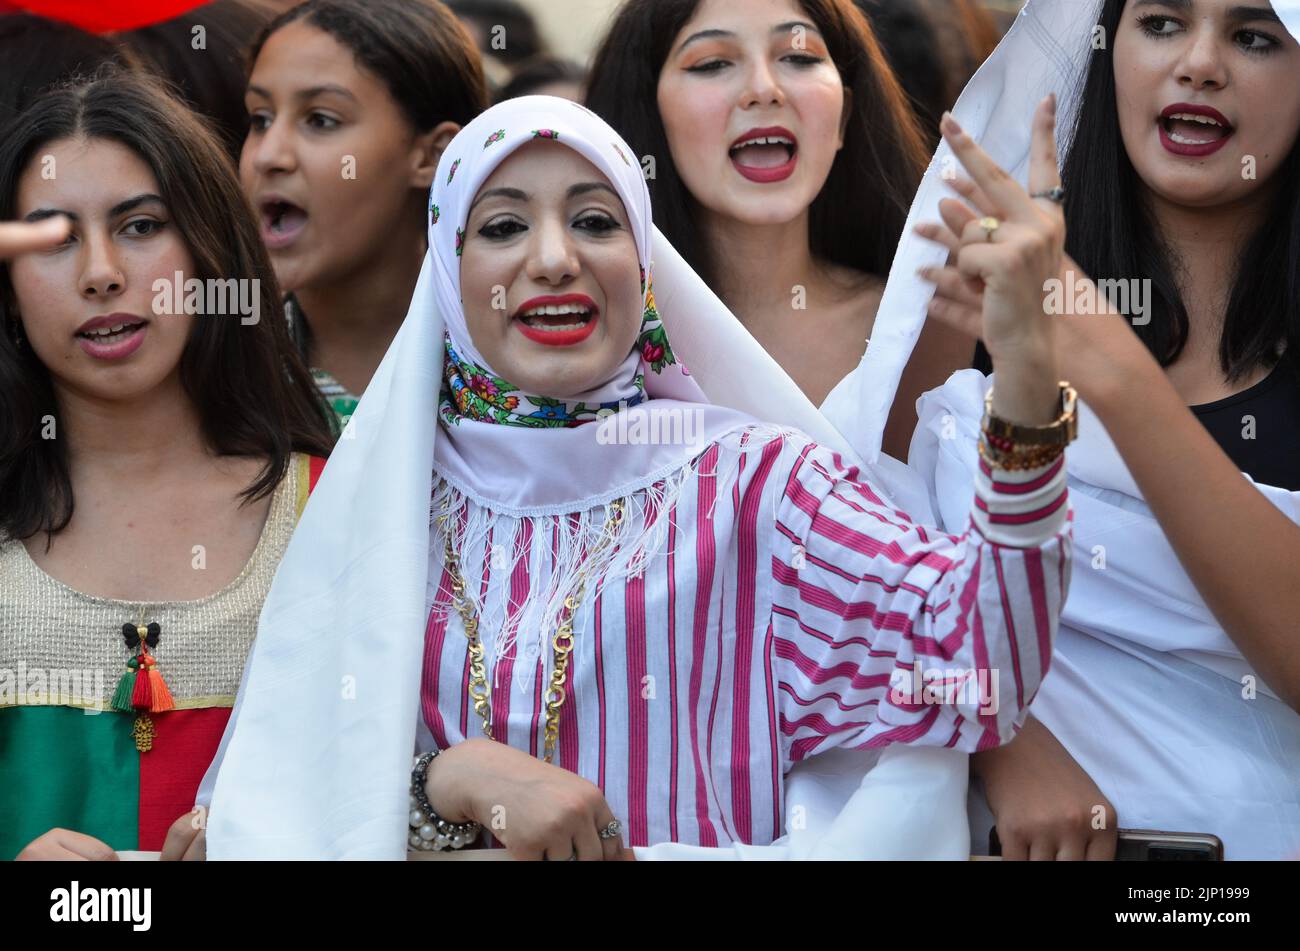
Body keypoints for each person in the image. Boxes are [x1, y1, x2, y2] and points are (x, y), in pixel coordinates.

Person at [203, 95, 1075, 859]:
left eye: (595, 220)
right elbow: (284, 807)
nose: (553, 259)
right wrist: (450, 779)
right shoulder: (379, 510)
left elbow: (976, 670)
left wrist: (1029, 381)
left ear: (646, 267)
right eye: (503, 225)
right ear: (446, 270)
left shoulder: (764, 490)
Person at [871, 0, 1300, 859]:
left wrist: (1109, 367)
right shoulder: (983, 287)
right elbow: (877, 574)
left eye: (1254, 36)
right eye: (1162, 23)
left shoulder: (1072, 326)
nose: (1200, 64)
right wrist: (1001, 740)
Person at [0, 69, 334, 861]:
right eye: (51, 237)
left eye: (141, 225)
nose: (101, 272)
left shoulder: (332, 504)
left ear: (210, 250)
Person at [585, 0, 975, 460]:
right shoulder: (599, 338)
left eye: (800, 57)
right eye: (712, 63)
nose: (763, 89)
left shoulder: (924, 318)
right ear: (650, 112)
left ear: (844, 117)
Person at [241, 0, 488, 430]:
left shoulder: (509, 372)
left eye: (320, 120)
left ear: (434, 154)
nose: (268, 155)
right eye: (260, 119)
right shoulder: (212, 377)